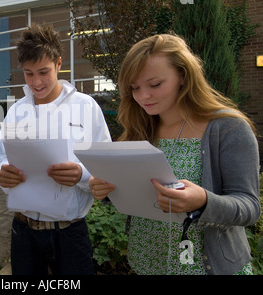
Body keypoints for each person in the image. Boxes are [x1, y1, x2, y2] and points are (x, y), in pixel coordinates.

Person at [89, 34, 261, 275]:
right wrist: (106, 189)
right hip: (148, 262)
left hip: (206, 267)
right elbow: (136, 192)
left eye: (155, 84)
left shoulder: (228, 128)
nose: (143, 96)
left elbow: (250, 207)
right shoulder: (139, 130)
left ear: (183, 75)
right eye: (134, 88)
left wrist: (203, 201)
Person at [0, 23, 111, 275]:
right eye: (29, 73)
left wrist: (82, 175)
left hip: (69, 233)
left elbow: (106, 164)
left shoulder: (85, 107)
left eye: (43, 72)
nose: (36, 82)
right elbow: (2, 159)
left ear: (59, 64)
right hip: (23, 231)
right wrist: (3, 175)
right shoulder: (16, 111)